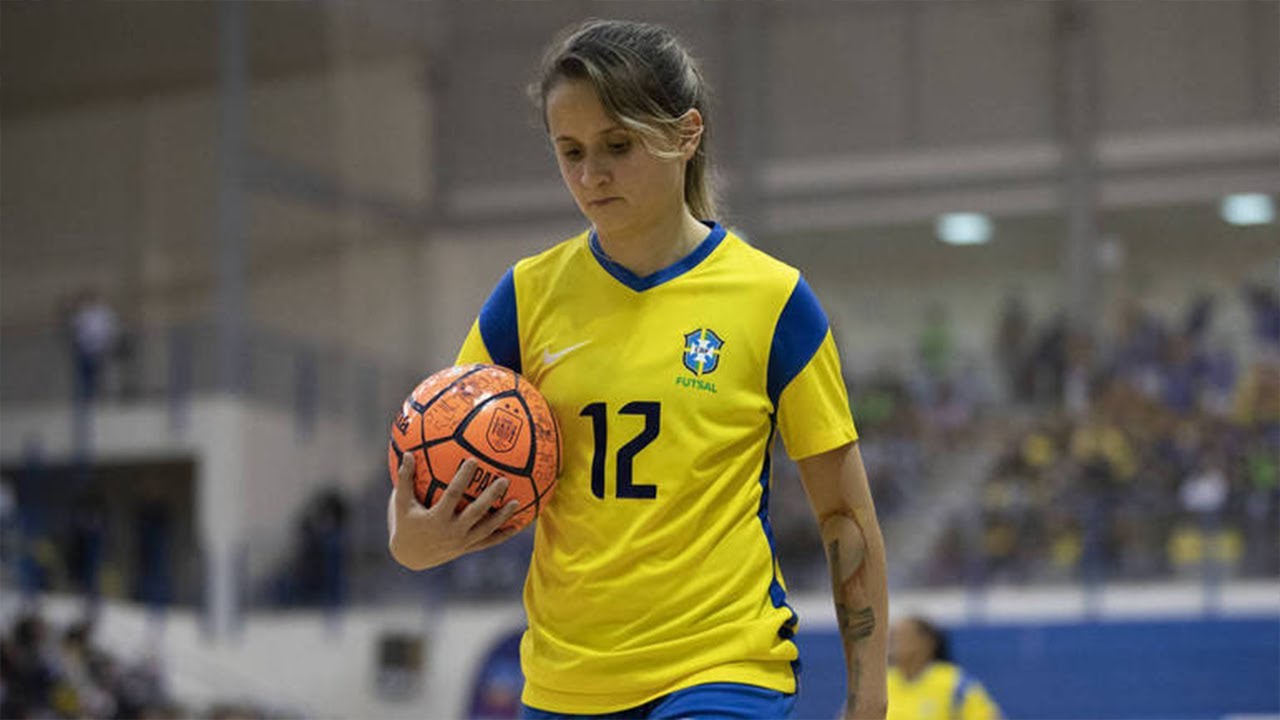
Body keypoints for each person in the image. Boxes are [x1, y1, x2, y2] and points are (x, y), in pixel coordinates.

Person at [387, 19, 888, 718]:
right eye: (571, 152)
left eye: (617, 146)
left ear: (686, 135)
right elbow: (431, 468)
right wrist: (413, 537)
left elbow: (844, 515)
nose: (591, 175)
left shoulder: (772, 301)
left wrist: (869, 694)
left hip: (722, 666)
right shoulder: (526, 299)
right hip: (567, 683)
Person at [887, 616, 1000, 720]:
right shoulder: (882, 683)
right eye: (891, 637)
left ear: (927, 643)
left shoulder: (955, 683)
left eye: (901, 636)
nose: (893, 643)